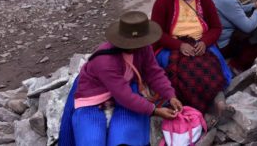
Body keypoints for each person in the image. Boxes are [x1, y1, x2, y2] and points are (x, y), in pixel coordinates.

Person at [58, 11, 183, 146]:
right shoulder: (105, 61)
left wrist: (171, 96)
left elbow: (153, 72)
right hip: (93, 97)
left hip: (124, 88)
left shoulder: (143, 48)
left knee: (124, 139)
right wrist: (154, 111)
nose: (140, 46)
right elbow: (124, 97)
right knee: (91, 140)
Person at [151, 0, 233, 117]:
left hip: (201, 43)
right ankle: (189, 106)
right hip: (172, 45)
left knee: (211, 65)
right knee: (184, 70)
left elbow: (216, 28)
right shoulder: (163, 1)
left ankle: (218, 101)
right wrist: (178, 45)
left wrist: (204, 42)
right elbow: (156, 32)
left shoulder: (205, 0)